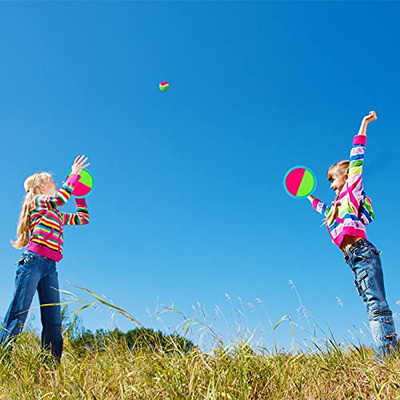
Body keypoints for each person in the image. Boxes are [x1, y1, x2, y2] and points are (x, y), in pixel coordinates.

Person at [307, 111, 397, 359]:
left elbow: (357, 156)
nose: (331, 185)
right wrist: (307, 194)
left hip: (363, 252)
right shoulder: (337, 208)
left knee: (377, 307)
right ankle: (389, 355)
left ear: (345, 177)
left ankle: (388, 358)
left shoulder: (353, 189)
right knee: (372, 305)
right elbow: (324, 210)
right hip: (353, 258)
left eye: (332, 180)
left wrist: (364, 124)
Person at [0, 155, 90, 362]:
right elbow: (60, 198)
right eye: (51, 182)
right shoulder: (39, 203)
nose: (56, 184)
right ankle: (2, 359)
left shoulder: (57, 214)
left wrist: (80, 193)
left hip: (51, 267)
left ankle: (50, 368)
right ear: (40, 188)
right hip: (33, 263)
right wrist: (74, 175)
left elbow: (83, 218)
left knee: (53, 321)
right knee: (18, 314)